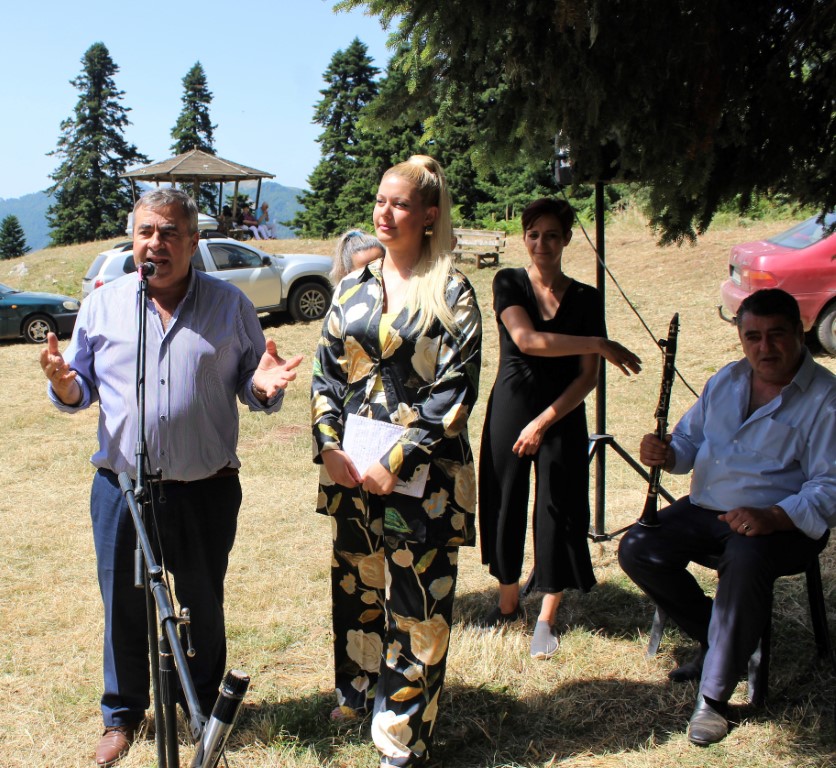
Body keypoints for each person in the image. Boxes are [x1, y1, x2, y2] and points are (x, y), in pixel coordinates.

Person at [40, 188, 303, 767]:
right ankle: (122, 714)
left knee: (202, 600)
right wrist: (63, 384)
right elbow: (80, 388)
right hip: (121, 487)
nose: (154, 244)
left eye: (168, 233)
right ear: (133, 238)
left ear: (193, 242)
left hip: (204, 488)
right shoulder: (103, 304)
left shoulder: (230, 305)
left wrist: (263, 387)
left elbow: (253, 382)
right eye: (145, 232)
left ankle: (203, 706)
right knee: (123, 603)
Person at [311, 155, 482, 768]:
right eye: (381, 200)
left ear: (429, 215)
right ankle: (358, 694)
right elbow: (327, 374)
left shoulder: (453, 291)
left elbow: (455, 392)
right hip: (352, 471)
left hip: (424, 479)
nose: (384, 213)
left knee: (417, 607)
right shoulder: (351, 286)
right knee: (357, 588)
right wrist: (328, 444)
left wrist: (398, 458)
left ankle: (401, 737)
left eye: (400, 204)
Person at [618, 288, 835, 746]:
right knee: (639, 547)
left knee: (746, 559)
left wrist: (774, 515)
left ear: (800, 333)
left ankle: (714, 698)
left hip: (783, 522)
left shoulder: (826, 399)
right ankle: (723, 641)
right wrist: (667, 452)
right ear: (740, 338)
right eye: (753, 337)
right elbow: (689, 442)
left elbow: (829, 486)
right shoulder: (727, 380)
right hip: (708, 509)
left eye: (777, 334)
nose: (764, 347)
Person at [478, 198, 642, 660]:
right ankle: (508, 603)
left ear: (567, 238)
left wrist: (545, 420)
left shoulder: (587, 297)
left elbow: (588, 377)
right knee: (505, 501)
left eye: (552, 235)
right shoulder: (508, 281)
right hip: (512, 404)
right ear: (524, 237)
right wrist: (599, 342)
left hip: (563, 411)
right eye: (533, 234)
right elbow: (526, 340)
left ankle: (546, 619)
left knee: (561, 508)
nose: (541, 244)